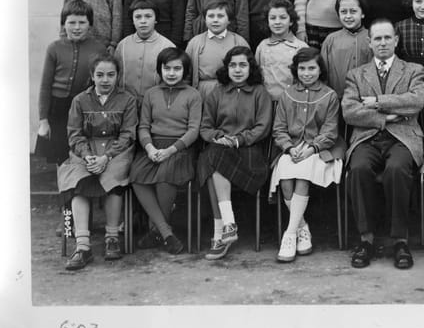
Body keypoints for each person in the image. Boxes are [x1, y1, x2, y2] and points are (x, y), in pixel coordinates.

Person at [341, 19, 424, 269]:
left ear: (396, 40)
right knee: (358, 169)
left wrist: (377, 101)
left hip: (403, 137)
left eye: (387, 38)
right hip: (367, 137)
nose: (382, 43)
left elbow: (416, 101)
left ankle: (400, 240)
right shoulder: (356, 74)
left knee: (397, 170)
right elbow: (349, 111)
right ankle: (366, 239)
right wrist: (386, 117)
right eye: (377, 38)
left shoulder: (413, 70)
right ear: (369, 42)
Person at [57, 53, 138, 270]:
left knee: (113, 179)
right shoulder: (79, 100)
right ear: (92, 76)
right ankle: (82, 246)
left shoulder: (128, 100)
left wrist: (106, 157)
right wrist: (87, 156)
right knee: (79, 181)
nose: (105, 80)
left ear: (118, 76)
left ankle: (112, 237)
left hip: (116, 151)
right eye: (100, 75)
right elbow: (74, 134)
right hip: (86, 151)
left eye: (111, 75)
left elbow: (128, 134)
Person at [270, 48, 344, 262]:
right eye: (302, 68)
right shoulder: (287, 94)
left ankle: (289, 235)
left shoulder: (329, 95)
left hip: (320, 149)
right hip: (293, 147)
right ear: (296, 70)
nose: (307, 73)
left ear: (320, 70)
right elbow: (279, 129)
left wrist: (312, 148)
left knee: (303, 175)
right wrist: (289, 148)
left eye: (312, 68)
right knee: (285, 177)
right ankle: (302, 228)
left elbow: (330, 132)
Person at [197, 46, 272, 260]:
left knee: (211, 161)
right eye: (233, 65)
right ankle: (226, 227)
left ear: (251, 68)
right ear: (227, 68)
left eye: (242, 65)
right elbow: (205, 127)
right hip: (221, 147)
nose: (237, 70)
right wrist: (220, 137)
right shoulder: (217, 93)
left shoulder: (259, 92)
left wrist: (238, 140)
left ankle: (221, 230)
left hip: (249, 154)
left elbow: (263, 127)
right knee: (213, 157)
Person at [130, 47, 202, 255]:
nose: (171, 73)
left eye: (177, 69)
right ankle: (166, 233)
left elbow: (193, 130)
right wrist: (149, 148)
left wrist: (171, 150)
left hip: (180, 148)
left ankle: (157, 231)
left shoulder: (193, 95)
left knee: (165, 176)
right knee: (136, 174)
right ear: (160, 69)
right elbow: (143, 126)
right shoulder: (151, 94)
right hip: (153, 146)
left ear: (185, 70)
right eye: (167, 68)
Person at [37, 0, 107, 166]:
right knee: (60, 152)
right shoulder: (54, 48)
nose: (77, 27)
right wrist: (43, 120)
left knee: (81, 149)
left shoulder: (99, 49)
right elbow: (45, 86)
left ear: (90, 24)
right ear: (64, 24)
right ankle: (62, 178)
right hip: (58, 107)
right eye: (72, 22)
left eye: (82, 22)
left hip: (84, 107)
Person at [114, 0, 175, 106]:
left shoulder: (168, 46)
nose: (143, 21)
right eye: (138, 17)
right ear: (132, 20)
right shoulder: (122, 45)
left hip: (156, 104)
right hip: (125, 104)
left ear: (156, 19)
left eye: (148, 16)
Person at [184, 0, 250, 98]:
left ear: (229, 20)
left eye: (220, 16)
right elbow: (186, 74)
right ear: (205, 19)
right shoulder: (195, 43)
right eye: (211, 16)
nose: (215, 20)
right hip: (203, 94)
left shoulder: (239, 42)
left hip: (232, 93)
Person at [320, 0, 372, 99]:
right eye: (343, 12)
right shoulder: (331, 40)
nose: (348, 16)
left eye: (353, 11)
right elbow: (323, 72)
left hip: (366, 99)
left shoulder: (372, 38)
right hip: (337, 98)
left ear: (362, 14)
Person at [255, 0, 308, 101]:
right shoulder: (262, 46)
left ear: (291, 21)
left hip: (293, 101)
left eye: (283, 17)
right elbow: (257, 75)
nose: (277, 22)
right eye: (273, 18)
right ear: (267, 21)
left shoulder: (301, 47)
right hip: (267, 102)